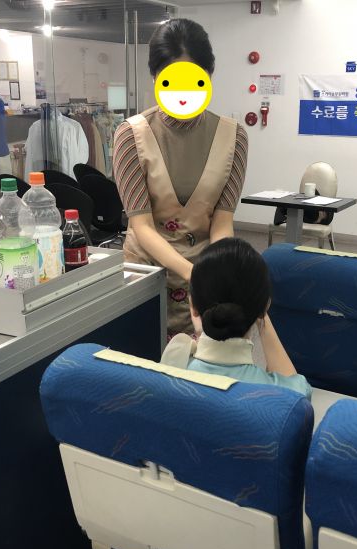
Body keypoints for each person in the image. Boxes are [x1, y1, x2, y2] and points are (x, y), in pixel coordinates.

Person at [113, 18, 248, 338]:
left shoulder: (234, 138)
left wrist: (215, 273)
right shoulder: (131, 135)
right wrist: (194, 274)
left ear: (209, 75)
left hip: (205, 278)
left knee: (201, 361)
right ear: (155, 78)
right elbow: (142, 226)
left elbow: (222, 222)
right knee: (143, 357)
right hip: (146, 273)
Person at [161, 238, 312, 398]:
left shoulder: (170, 370)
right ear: (264, 307)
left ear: (193, 306)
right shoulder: (281, 394)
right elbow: (298, 394)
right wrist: (262, 316)